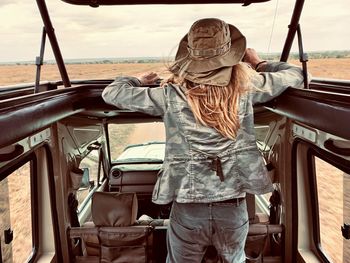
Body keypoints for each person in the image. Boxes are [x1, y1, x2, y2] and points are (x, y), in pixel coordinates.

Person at [102, 18, 306, 263]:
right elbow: (298, 75)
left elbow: (111, 93)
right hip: (233, 207)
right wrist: (258, 62)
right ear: (231, 56)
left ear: (189, 58)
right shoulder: (247, 89)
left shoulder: (170, 95)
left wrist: (137, 80)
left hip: (189, 209)